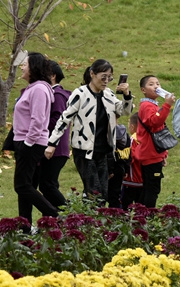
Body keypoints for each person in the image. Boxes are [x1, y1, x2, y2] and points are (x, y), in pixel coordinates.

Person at [49, 59, 134, 202]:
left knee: (102, 195)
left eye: (110, 77)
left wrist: (126, 95)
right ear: (92, 74)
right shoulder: (80, 94)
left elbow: (125, 111)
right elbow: (64, 119)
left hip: (104, 152)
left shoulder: (109, 94)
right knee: (95, 193)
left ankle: (88, 221)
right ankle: (90, 222)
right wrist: (52, 143)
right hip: (84, 151)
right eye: (103, 77)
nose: (106, 81)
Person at [12, 52, 57, 227]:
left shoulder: (39, 89)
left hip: (30, 143)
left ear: (34, 68)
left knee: (22, 186)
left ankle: (54, 215)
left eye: (25, 64)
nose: (22, 67)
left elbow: (38, 120)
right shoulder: (33, 88)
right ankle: (24, 228)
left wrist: (27, 143)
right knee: (25, 186)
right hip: (25, 142)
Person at [135, 75, 175, 208]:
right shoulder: (147, 106)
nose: (156, 87)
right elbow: (154, 122)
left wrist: (163, 155)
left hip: (153, 154)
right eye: (151, 84)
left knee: (147, 187)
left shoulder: (151, 105)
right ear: (143, 90)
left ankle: (138, 216)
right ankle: (148, 217)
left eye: (158, 84)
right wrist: (167, 105)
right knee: (152, 189)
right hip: (150, 154)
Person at [36, 60, 70, 209]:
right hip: (53, 147)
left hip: (56, 148)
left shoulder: (58, 95)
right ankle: (51, 221)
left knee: (47, 185)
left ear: (53, 76)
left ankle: (71, 214)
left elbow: (58, 120)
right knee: (50, 185)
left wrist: (41, 125)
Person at [121, 115, 143, 208]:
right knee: (141, 208)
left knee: (125, 207)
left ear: (132, 127)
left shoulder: (132, 140)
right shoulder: (146, 138)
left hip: (131, 181)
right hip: (143, 181)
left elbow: (131, 157)